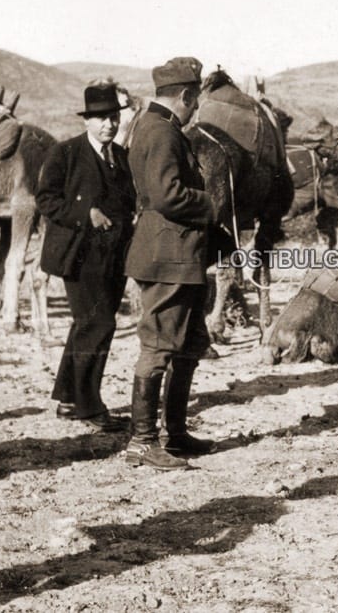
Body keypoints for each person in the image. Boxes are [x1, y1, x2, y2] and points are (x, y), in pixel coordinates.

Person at [123, 56, 217, 471]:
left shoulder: (158, 128)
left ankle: (175, 434)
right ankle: (143, 441)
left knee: (188, 343)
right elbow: (167, 196)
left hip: (181, 256)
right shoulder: (161, 132)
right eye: (194, 99)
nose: (196, 107)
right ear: (186, 95)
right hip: (169, 256)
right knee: (160, 345)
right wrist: (211, 203)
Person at [36, 81, 135, 432]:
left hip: (112, 257)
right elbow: (46, 200)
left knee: (86, 326)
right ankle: (89, 406)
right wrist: (86, 215)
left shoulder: (121, 157)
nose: (109, 124)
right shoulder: (65, 154)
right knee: (99, 325)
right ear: (86, 121)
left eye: (113, 117)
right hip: (78, 255)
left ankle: (68, 400)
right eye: (101, 118)